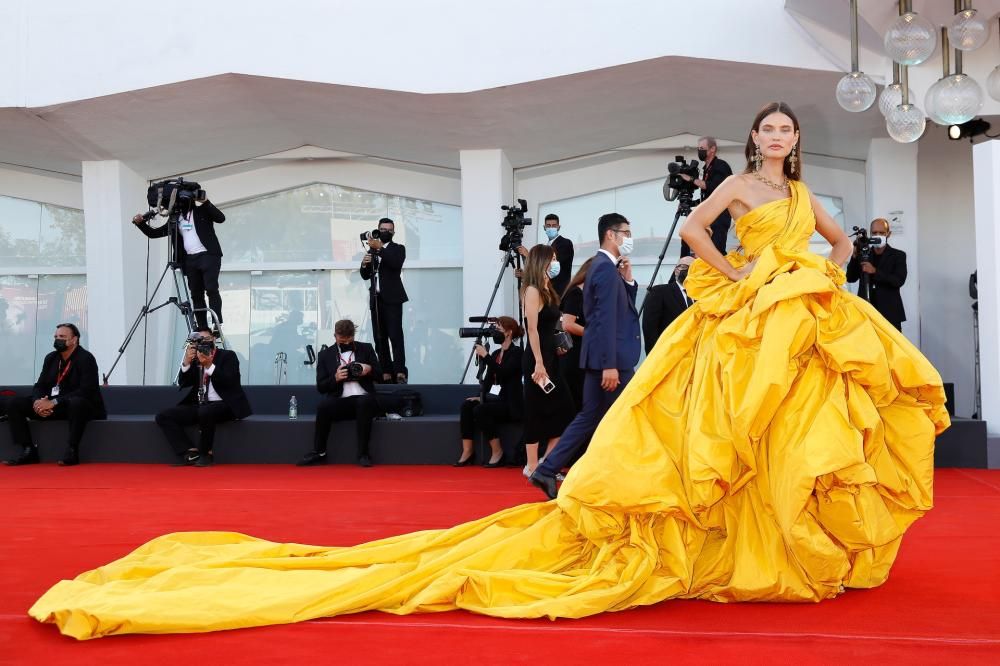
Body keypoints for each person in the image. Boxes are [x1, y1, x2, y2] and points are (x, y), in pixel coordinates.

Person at [28, 104, 950, 639]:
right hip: (742, 316)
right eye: (770, 128)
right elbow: (699, 237)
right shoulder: (739, 188)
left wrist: (820, 269)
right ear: (755, 139)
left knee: (794, 424)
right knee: (718, 425)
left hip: (795, 316)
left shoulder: (804, 194)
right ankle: (714, 531)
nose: (780, 136)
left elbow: (842, 244)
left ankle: (773, 536)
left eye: (788, 128)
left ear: (796, 139)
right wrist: (741, 271)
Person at [529, 214, 640, 499]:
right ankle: (618, 479)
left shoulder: (607, 268)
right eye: (626, 233)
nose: (629, 238)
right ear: (611, 235)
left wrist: (628, 280)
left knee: (588, 417)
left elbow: (621, 310)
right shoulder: (603, 269)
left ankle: (546, 469)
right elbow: (604, 320)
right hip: (611, 361)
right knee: (627, 417)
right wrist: (609, 365)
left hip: (601, 358)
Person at [2, 323, 106, 466]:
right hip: (52, 406)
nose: (58, 339)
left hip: (79, 407)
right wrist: (38, 402)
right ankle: (28, 450)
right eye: (56, 336)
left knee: (77, 403)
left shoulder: (85, 358)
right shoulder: (51, 358)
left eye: (62, 336)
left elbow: (86, 390)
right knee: (15, 404)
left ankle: (72, 451)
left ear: (74, 339)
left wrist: (54, 402)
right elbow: (40, 385)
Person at [154, 328, 252, 467]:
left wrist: (209, 365)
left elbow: (230, 381)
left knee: (206, 412)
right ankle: (189, 452)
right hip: (200, 404)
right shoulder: (197, 358)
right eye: (199, 341)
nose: (203, 343)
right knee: (164, 416)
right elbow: (184, 383)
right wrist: (187, 362)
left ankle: (206, 454)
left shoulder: (228, 356)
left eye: (206, 339)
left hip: (225, 404)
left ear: (213, 339)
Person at [519, 245, 576, 477]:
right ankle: (532, 466)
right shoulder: (532, 290)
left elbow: (552, 324)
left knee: (565, 410)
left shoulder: (547, 288)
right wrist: (539, 362)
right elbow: (531, 329)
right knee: (536, 410)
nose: (555, 263)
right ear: (541, 261)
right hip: (537, 359)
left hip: (552, 357)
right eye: (552, 259)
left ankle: (547, 463)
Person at [133, 196, 227, 332]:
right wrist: (141, 223)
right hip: (190, 259)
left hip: (208, 255)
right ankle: (202, 327)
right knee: (196, 294)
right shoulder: (175, 219)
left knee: (211, 289)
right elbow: (154, 233)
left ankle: (216, 324)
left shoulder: (202, 211)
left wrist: (206, 201)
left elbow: (221, 218)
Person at [298, 319, 382, 468]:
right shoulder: (325, 355)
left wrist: (368, 369)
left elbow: (380, 375)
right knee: (323, 406)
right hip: (341, 402)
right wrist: (335, 378)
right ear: (335, 335)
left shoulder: (366, 348)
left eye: (349, 339)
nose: (346, 343)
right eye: (342, 340)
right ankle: (319, 452)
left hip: (365, 400)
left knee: (364, 401)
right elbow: (321, 387)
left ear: (354, 335)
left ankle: (363, 454)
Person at [456, 316, 524, 468]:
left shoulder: (517, 352)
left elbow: (503, 372)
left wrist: (485, 356)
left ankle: (497, 452)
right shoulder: (495, 354)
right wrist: (479, 396)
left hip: (510, 403)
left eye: (498, 329)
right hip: (495, 399)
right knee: (467, 406)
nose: (495, 333)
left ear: (509, 332)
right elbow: (488, 380)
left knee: (481, 410)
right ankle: (467, 451)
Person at [360, 218, 408, 384]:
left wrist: (380, 248)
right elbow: (365, 275)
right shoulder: (372, 251)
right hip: (376, 299)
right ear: (378, 230)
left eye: (389, 230)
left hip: (393, 299)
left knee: (395, 335)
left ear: (393, 232)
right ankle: (385, 370)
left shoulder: (398, 249)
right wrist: (364, 264)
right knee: (379, 337)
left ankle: (399, 370)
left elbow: (395, 263)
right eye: (383, 229)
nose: (386, 232)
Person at [846, 218, 907, 331]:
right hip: (866, 311)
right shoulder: (863, 254)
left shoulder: (898, 255)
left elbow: (898, 280)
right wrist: (854, 256)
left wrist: (875, 271)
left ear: (888, 234)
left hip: (890, 313)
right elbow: (850, 278)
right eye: (874, 233)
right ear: (870, 234)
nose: (877, 235)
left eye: (882, 232)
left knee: (891, 342)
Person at [680, 136, 734, 257]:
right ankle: (685, 262)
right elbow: (708, 197)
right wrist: (692, 203)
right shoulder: (706, 169)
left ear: (712, 149)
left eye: (702, 148)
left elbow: (713, 187)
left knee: (717, 251)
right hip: (708, 215)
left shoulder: (720, 165)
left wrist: (691, 179)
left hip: (719, 216)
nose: (699, 151)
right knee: (688, 237)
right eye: (698, 148)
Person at [559, 257, 594, 412]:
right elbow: (568, 324)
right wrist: (593, 334)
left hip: (582, 355)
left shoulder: (587, 294)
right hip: (574, 357)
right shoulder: (576, 294)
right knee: (578, 404)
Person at [641, 256, 694, 355]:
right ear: (676, 270)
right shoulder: (660, 292)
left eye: (693, 268)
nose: (688, 270)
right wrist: (655, 356)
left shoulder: (701, 297)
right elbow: (650, 328)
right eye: (684, 267)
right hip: (668, 354)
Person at [542, 213, 574, 296]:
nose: (551, 228)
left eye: (554, 226)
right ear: (544, 227)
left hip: (559, 292)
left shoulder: (565, 243)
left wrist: (528, 256)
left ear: (558, 227)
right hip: (547, 292)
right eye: (548, 226)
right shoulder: (547, 246)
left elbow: (551, 265)